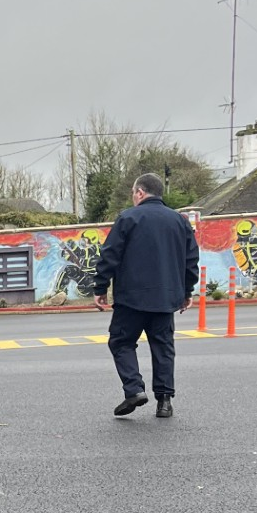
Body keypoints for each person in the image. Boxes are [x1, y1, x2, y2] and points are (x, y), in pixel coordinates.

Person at [94, 173, 200, 418]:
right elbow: (191, 260)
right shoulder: (179, 221)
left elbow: (109, 255)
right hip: (165, 299)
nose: (133, 198)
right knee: (163, 347)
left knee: (121, 342)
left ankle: (134, 389)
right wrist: (186, 291)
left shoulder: (128, 218)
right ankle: (164, 402)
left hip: (131, 299)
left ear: (140, 192)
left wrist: (100, 288)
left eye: (134, 193)